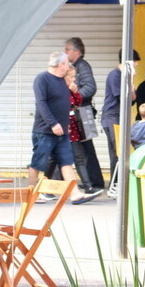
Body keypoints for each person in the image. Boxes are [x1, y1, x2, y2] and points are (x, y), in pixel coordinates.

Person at [28, 52, 100, 205]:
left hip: (62, 131)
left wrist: (65, 123)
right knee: (38, 163)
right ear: (61, 65)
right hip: (45, 130)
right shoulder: (42, 79)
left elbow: (70, 102)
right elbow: (41, 104)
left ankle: (75, 194)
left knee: (66, 161)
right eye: (67, 63)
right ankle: (32, 193)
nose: (68, 66)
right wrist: (53, 123)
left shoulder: (62, 81)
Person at [64, 37, 104, 190]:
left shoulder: (82, 66)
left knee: (86, 150)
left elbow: (90, 88)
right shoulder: (77, 66)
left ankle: (94, 182)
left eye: (67, 49)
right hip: (80, 114)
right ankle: (92, 181)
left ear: (76, 51)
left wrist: (75, 95)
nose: (65, 52)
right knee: (84, 149)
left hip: (81, 114)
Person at [100, 49, 140, 194]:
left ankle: (117, 184)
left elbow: (132, 100)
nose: (136, 66)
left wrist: (130, 81)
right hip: (111, 117)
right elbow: (123, 97)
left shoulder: (125, 77)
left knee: (120, 151)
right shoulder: (115, 75)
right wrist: (130, 82)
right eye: (134, 63)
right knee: (117, 151)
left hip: (119, 117)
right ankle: (115, 185)